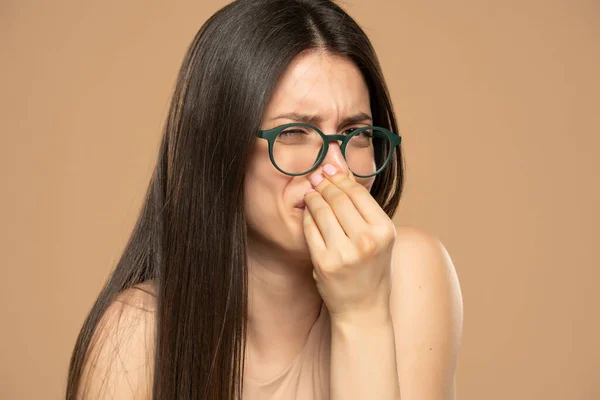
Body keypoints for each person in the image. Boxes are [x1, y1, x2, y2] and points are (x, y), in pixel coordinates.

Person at [66, 0, 463, 399]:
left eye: (355, 133)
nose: (336, 168)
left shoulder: (410, 273)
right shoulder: (135, 333)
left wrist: (362, 315)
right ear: (221, 148)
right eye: (293, 132)